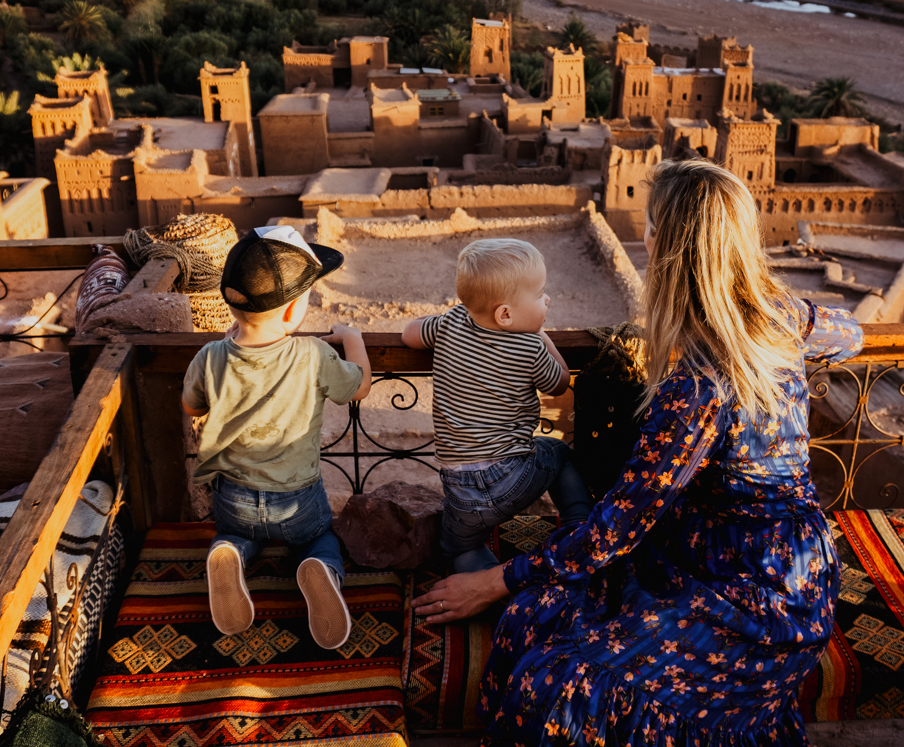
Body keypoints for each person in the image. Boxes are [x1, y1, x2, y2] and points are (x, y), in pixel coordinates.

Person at [413, 159, 864, 746]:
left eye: (649, 225)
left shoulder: (700, 384)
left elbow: (619, 525)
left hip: (753, 592)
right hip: (719, 553)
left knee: (561, 686)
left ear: (662, 242)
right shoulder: (779, 318)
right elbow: (852, 332)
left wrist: (499, 578)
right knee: (533, 618)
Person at [182, 225, 371, 649]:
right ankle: (320, 568)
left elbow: (192, 407)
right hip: (298, 502)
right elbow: (359, 388)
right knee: (321, 537)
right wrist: (352, 340)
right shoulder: (312, 355)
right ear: (290, 313)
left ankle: (229, 554)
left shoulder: (209, 356)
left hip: (233, 498)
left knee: (237, 534)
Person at [401, 238, 592, 573]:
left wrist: (445, 320)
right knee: (559, 453)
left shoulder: (451, 322)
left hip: (459, 491)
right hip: (513, 479)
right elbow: (560, 381)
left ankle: (488, 580)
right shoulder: (530, 348)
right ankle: (579, 530)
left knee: (457, 550)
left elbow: (409, 335)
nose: (546, 300)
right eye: (539, 295)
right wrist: (543, 335)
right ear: (505, 314)